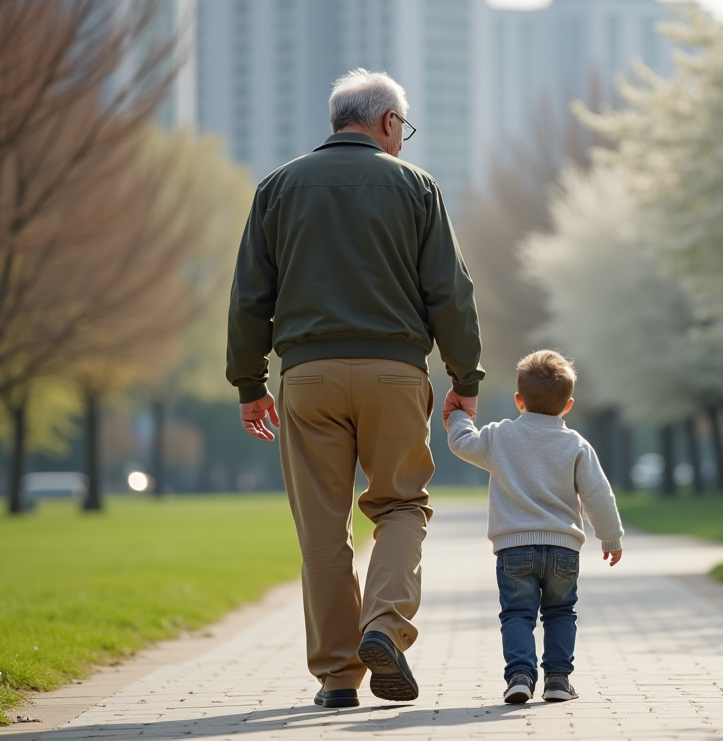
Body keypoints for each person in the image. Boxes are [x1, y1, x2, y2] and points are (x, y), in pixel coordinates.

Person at [226, 68, 483, 708]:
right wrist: (466, 378)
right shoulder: (417, 186)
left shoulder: (276, 188)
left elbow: (249, 298)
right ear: (388, 123)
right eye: (404, 128)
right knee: (400, 505)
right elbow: (450, 293)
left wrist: (249, 383)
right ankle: (385, 626)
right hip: (393, 373)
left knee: (321, 529)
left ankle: (338, 678)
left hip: (307, 378)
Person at [445, 350, 623, 704]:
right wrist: (610, 535)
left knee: (516, 614)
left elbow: (463, 443)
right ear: (568, 405)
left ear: (518, 400)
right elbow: (597, 493)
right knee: (561, 612)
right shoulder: (575, 444)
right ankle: (558, 680)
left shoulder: (500, 436)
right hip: (563, 548)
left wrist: (459, 417)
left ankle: (520, 676)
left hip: (514, 548)